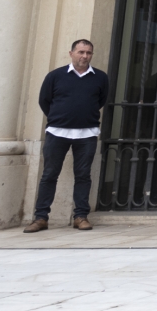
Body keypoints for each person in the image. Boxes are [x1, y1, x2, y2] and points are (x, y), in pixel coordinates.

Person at [24, 40, 109, 233]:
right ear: (71, 53)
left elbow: (101, 100)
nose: (84, 56)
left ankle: (80, 216)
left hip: (87, 133)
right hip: (57, 132)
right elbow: (44, 100)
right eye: (80, 52)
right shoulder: (55, 76)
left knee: (83, 175)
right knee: (49, 175)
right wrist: (60, 117)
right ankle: (41, 217)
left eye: (88, 53)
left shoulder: (100, 77)